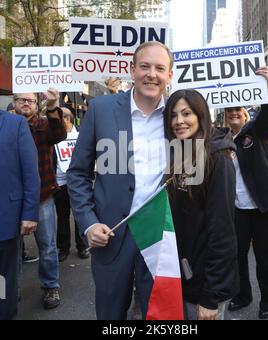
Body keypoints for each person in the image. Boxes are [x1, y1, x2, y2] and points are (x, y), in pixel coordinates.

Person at [67, 41, 174, 320]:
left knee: (159, 315)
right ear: (131, 70)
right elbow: (77, 173)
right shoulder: (100, 109)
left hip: (160, 238)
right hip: (111, 235)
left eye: (160, 68)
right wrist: (88, 223)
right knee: (111, 315)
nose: (152, 74)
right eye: (145, 66)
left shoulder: (178, 116)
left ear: (169, 75)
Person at [164, 89, 239, 320]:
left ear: (201, 115)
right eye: (174, 115)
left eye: (186, 113)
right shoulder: (180, 154)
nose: (179, 121)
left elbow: (222, 231)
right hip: (184, 278)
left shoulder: (218, 159)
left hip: (206, 287)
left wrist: (211, 295)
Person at [224, 66, 268, 320]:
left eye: (237, 110)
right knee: (238, 252)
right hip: (241, 207)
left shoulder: (255, 131)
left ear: (245, 113)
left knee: (262, 252)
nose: (233, 114)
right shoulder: (222, 140)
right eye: (229, 111)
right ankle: (243, 295)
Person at [13, 89, 67, 310]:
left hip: (42, 196)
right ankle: (9, 289)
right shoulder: (6, 125)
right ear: (13, 102)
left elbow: (60, 134)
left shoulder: (43, 125)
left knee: (47, 246)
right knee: (10, 248)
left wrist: (53, 106)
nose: (26, 103)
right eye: (21, 100)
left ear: (37, 104)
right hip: (12, 199)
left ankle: (51, 286)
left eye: (30, 100)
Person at [0, 110, 40, 320]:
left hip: (5, 219)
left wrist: (30, 213)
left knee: (3, 281)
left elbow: (31, 172)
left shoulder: (15, 125)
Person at [54, 107, 89, 262]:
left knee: (80, 215)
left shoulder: (82, 134)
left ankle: (82, 247)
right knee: (62, 217)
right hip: (60, 183)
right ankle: (63, 248)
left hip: (79, 183)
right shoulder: (53, 135)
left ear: (67, 119)